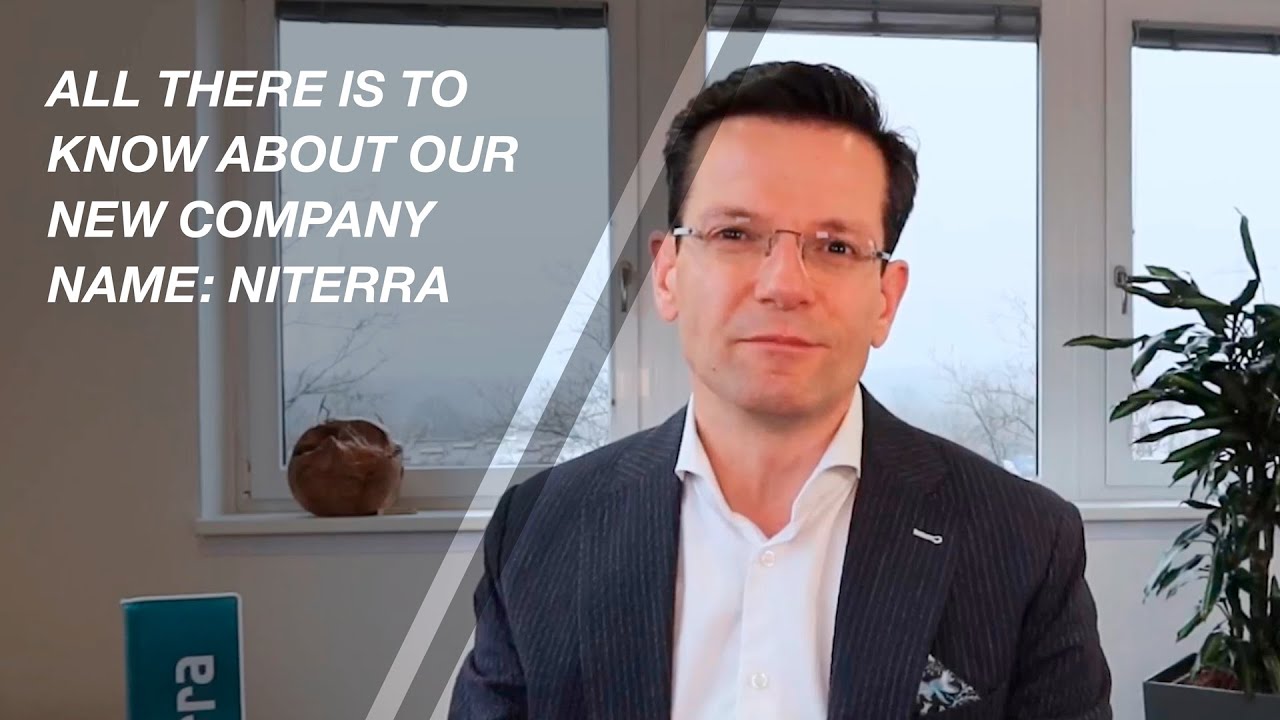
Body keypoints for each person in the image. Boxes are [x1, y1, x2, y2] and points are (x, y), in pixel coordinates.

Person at [449, 61, 1112, 719]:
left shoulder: (1024, 541)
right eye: (735, 234)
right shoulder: (539, 530)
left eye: (836, 246)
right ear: (669, 274)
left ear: (885, 299)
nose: (784, 285)